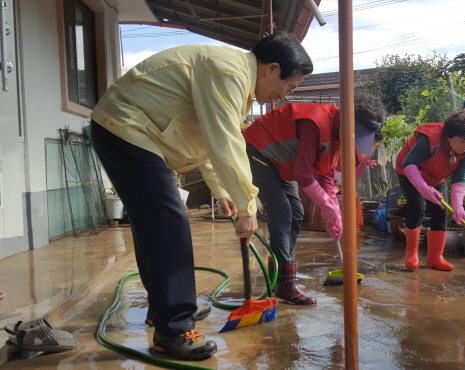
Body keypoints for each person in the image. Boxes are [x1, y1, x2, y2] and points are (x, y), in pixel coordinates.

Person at [90, 33, 313, 360]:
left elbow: (208, 138)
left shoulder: (235, 79)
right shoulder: (229, 73)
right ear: (272, 69)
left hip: (137, 133)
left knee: (155, 222)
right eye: (289, 86)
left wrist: (222, 190)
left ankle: (162, 311)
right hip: (126, 128)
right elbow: (225, 143)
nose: (284, 94)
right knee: (169, 221)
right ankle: (174, 330)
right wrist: (246, 206)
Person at [242, 94, 386, 305]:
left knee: (296, 212)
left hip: (279, 164)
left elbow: (326, 176)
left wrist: (334, 212)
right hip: (258, 152)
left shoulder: (337, 135)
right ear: (348, 122)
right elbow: (303, 174)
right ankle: (285, 284)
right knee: (282, 212)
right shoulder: (315, 122)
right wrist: (325, 205)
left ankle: (280, 279)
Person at [395, 109, 465, 271]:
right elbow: (409, 164)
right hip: (410, 170)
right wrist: (424, 189)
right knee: (417, 206)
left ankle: (435, 257)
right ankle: (411, 253)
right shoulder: (430, 139)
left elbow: (459, 180)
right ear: (449, 135)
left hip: (436, 177)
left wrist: (458, 205)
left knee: (441, 210)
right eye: (462, 141)